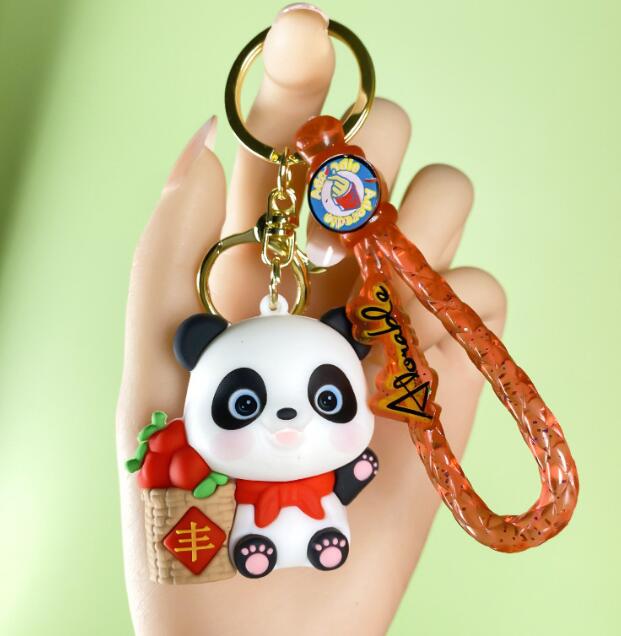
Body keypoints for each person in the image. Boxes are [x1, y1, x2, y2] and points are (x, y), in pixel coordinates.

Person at [116, 4, 506, 634]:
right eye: (245, 405)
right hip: (252, 526)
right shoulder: (218, 476)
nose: (289, 424)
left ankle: (296, 544)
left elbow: (350, 476)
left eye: (327, 400)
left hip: (315, 520)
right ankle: (265, 548)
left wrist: (358, 470)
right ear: (199, 348)